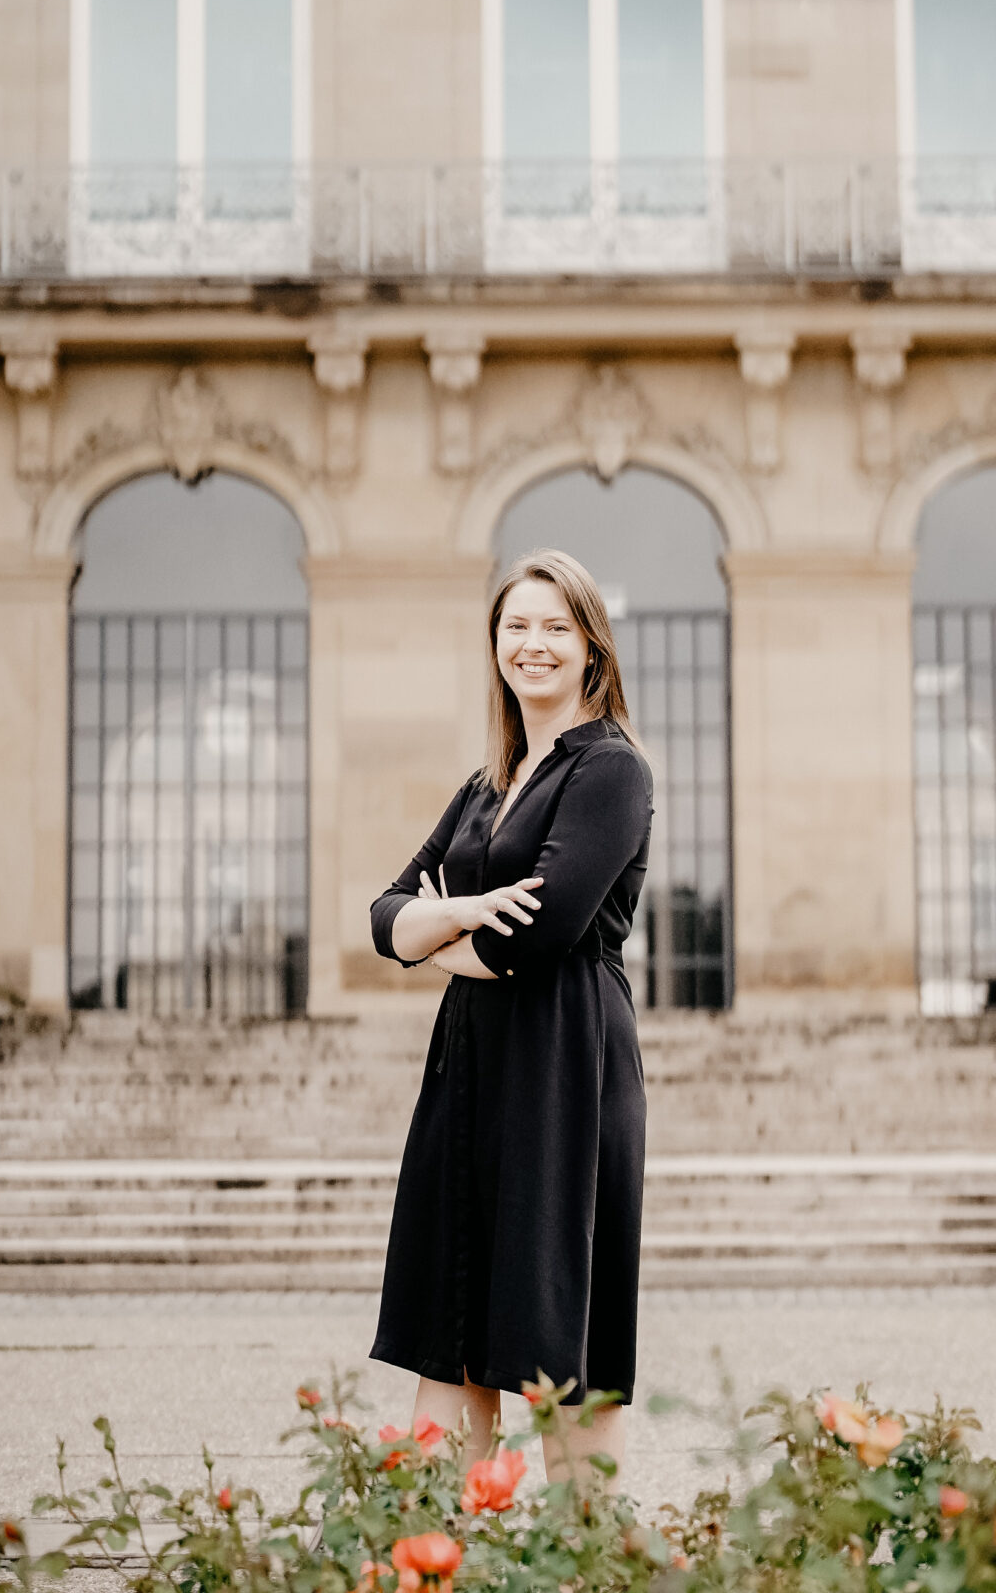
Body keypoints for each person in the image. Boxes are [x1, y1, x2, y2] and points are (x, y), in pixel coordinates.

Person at [369, 548, 653, 1482]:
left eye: (553, 628)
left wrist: (439, 940)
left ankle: (586, 1569)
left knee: (560, 1344)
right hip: (470, 1072)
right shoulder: (486, 786)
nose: (531, 646)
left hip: (564, 1067)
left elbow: (541, 930)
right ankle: (432, 1557)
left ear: (590, 651)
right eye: (515, 627)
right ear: (494, 645)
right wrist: (451, 915)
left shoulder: (610, 771)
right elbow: (385, 916)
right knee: (450, 1324)